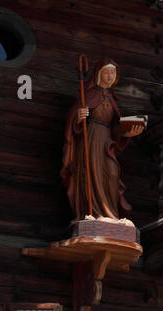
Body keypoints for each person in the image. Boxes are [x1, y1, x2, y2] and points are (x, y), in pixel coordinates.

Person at [61, 61, 146, 220]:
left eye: (113, 73)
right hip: (91, 139)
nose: (110, 76)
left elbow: (115, 128)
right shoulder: (88, 95)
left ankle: (111, 215)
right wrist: (78, 118)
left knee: (112, 173)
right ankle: (91, 212)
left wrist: (127, 133)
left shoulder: (112, 99)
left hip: (106, 142)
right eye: (107, 72)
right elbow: (73, 119)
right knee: (91, 173)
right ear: (99, 74)